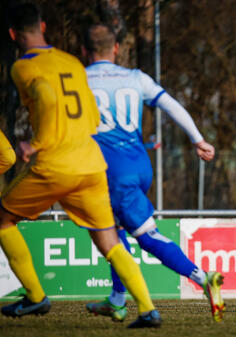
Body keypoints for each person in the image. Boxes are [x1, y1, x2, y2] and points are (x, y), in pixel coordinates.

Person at [0, 4, 161, 328]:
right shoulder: (72, 62)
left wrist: (37, 143)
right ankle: (147, 309)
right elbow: (90, 112)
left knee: (3, 219)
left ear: (13, 35)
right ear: (44, 27)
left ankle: (35, 297)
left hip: (55, 165)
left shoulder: (21, 67)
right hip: (90, 162)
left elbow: (45, 98)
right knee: (108, 241)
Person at [82, 24, 224, 323]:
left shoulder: (79, 79)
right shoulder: (135, 77)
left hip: (111, 170)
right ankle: (117, 299)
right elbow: (171, 106)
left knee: (145, 234)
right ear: (116, 48)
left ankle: (202, 277)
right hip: (139, 164)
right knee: (114, 229)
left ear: (84, 51)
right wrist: (197, 139)